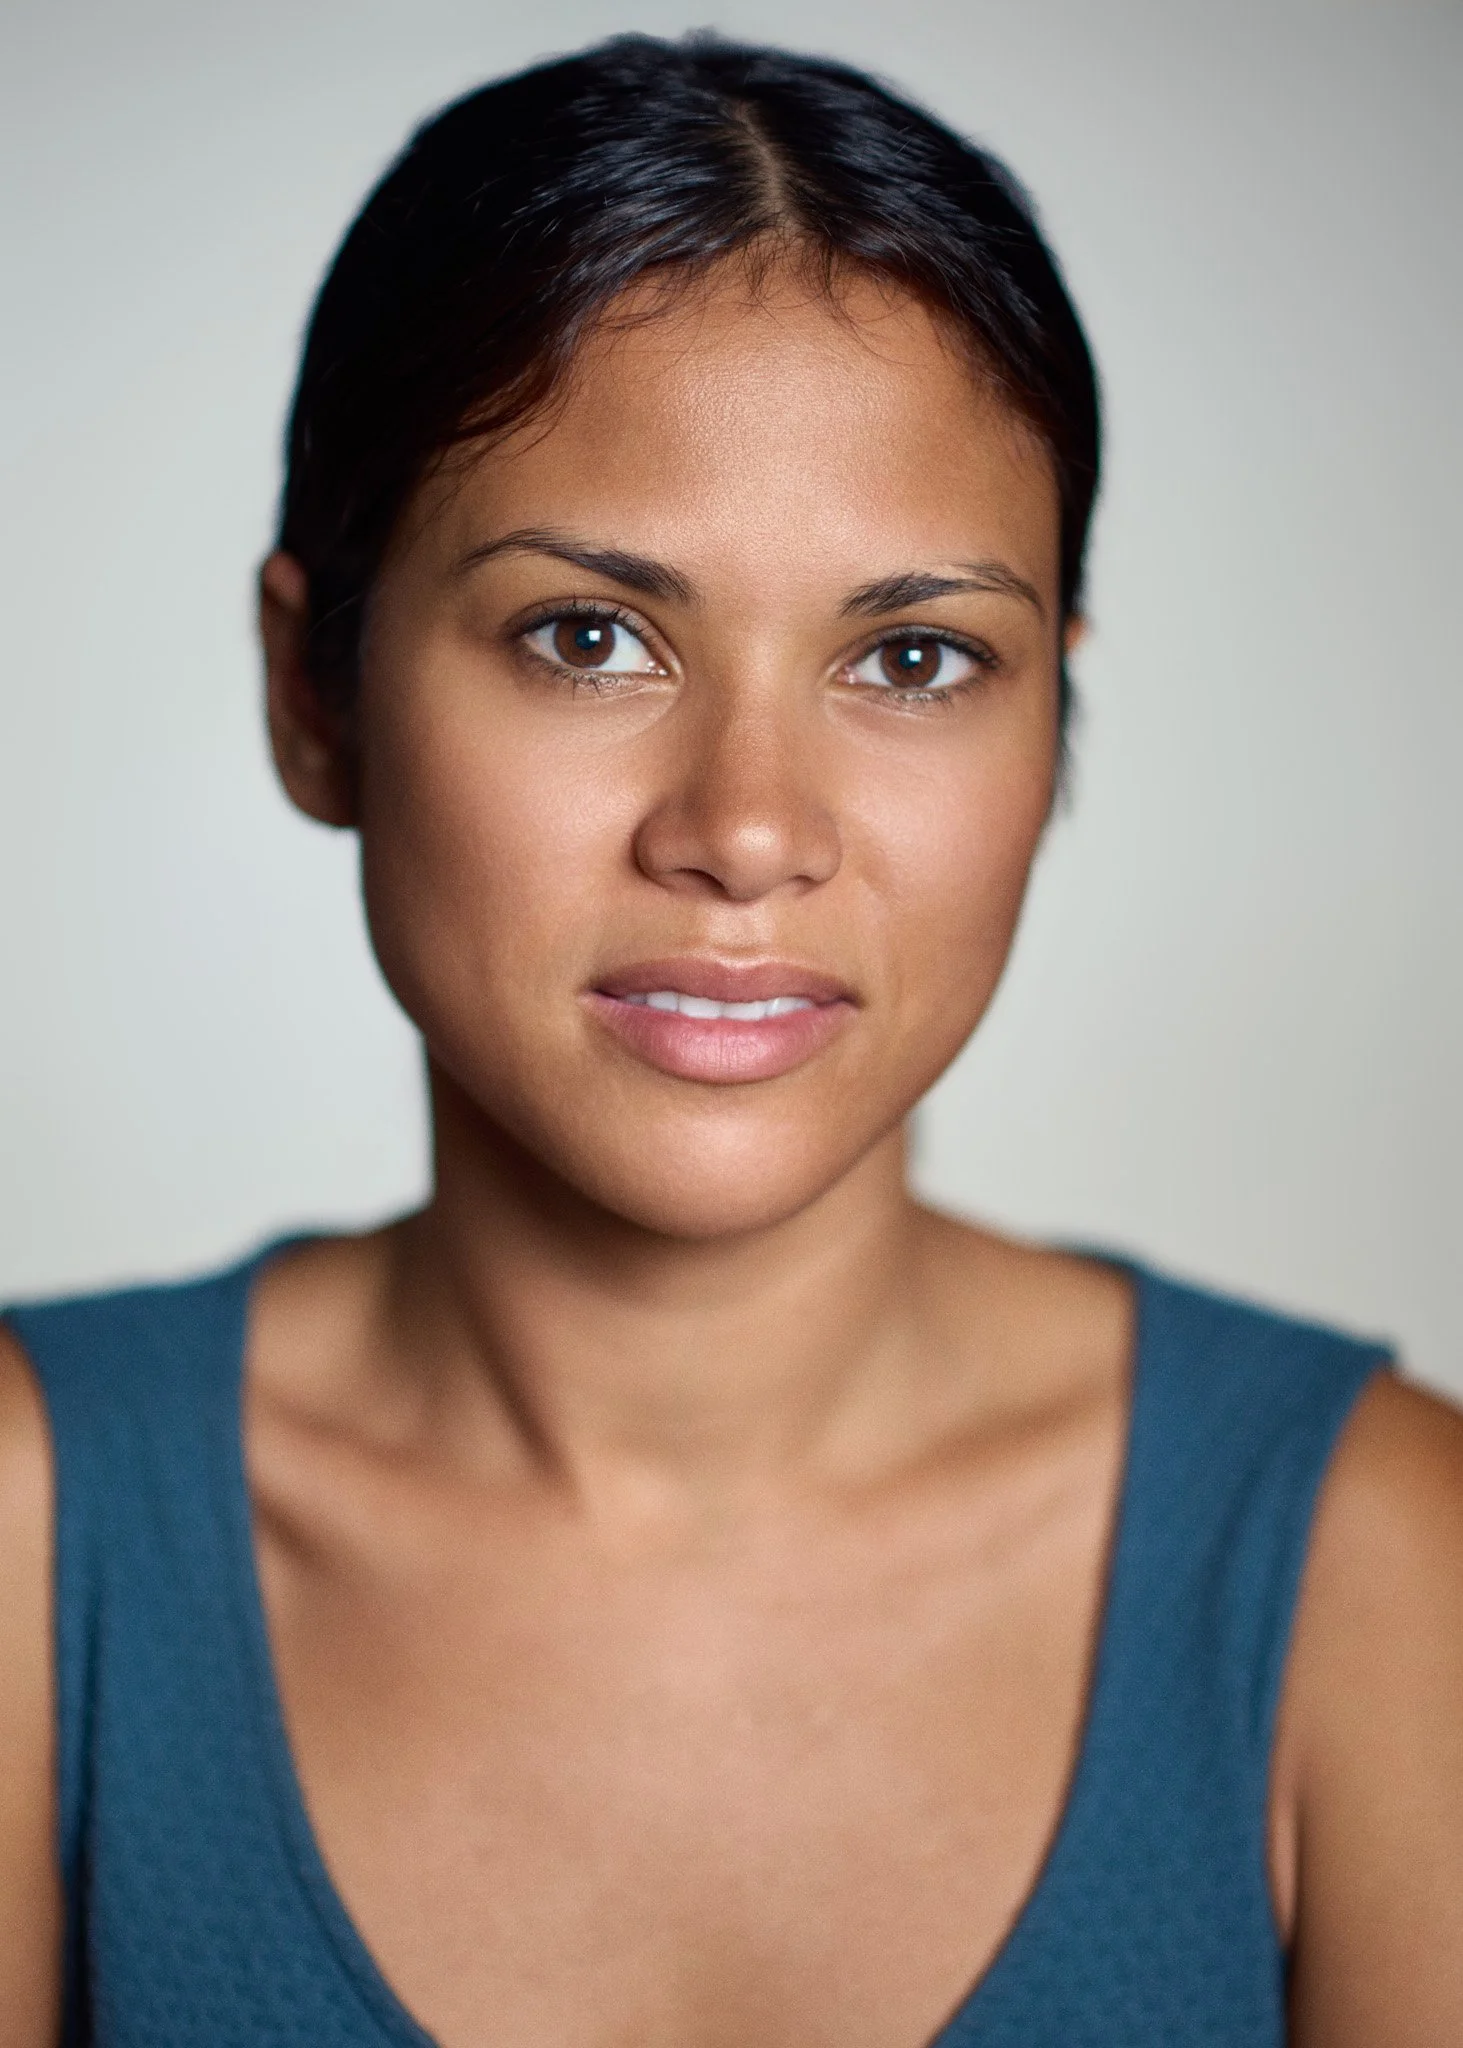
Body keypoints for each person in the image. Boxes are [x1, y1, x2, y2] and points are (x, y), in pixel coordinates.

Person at [1, 33, 1459, 2048]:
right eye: (586, 636)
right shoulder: (36, 1535)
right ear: (312, 693)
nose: (749, 829)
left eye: (912, 657)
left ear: (1051, 720)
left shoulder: (1379, 1570)